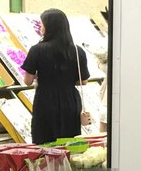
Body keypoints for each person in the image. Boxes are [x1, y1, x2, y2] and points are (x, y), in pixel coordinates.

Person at [21, 8, 90, 144]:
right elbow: (84, 81)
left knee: (44, 142)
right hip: (70, 101)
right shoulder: (77, 51)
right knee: (69, 142)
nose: (41, 27)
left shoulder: (37, 49)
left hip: (45, 101)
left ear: (48, 26)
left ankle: (47, 165)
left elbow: (28, 80)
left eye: (42, 24)